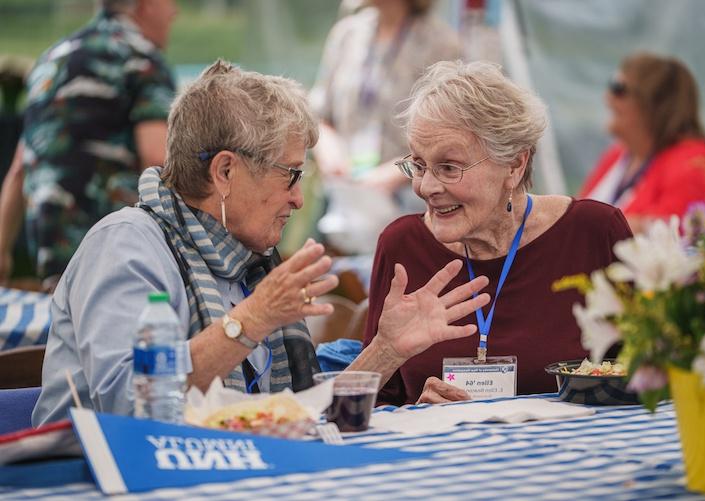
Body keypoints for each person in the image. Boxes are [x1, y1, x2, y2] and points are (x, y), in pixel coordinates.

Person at [32, 60, 491, 426]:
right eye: (291, 173)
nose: (296, 197)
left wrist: (387, 349)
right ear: (226, 172)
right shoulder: (127, 244)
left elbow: (297, 420)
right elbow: (128, 404)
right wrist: (253, 318)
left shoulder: (246, 260)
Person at [362, 60, 634, 406]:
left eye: (449, 167)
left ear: (514, 165)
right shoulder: (402, 246)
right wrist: (414, 411)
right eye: (418, 164)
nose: (426, 186)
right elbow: (373, 407)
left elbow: (654, 377)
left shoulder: (594, 233)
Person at [0, 0, 177, 289]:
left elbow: (21, 166)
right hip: (114, 251)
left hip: (53, 254)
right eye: (170, 3)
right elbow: (157, 158)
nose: (175, 13)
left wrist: (2, 251)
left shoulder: (51, 59)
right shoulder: (141, 59)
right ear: (147, 5)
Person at [308, 0, 461, 253]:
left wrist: (394, 174)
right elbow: (318, 114)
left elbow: (451, 134)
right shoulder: (347, 33)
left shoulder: (441, 42)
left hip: (408, 199)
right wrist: (329, 152)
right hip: (343, 196)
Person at [579, 52, 705, 233]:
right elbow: (575, 214)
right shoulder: (620, 155)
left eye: (618, 88)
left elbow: (663, 235)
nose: (608, 97)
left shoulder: (693, 163)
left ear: (653, 103)